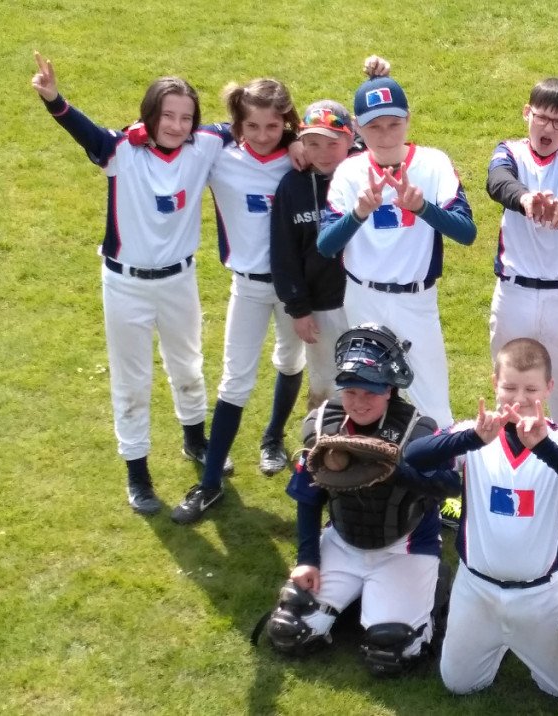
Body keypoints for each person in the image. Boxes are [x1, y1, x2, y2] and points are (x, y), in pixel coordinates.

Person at [32, 52, 231, 515]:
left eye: (186, 117)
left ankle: (195, 442)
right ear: (150, 114)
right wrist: (53, 99)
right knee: (132, 382)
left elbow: (249, 125)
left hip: (179, 280)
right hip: (125, 286)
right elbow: (86, 133)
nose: (177, 126)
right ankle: (137, 473)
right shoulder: (121, 150)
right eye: (167, 115)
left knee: (188, 364)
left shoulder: (207, 145)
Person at [404, 338, 558, 699]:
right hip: (477, 588)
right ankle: (491, 638)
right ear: (494, 382)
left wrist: (542, 447)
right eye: (509, 387)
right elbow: (413, 457)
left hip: (542, 594)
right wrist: (470, 439)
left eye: (531, 388)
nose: (519, 399)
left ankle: (519, 640)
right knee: (458, 683)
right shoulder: (473, 432)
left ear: (548, 387)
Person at [266, 324, 460, 672]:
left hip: (405, 546)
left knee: (392, 652)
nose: (359, 402)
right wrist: (307, 557)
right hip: (342, 540)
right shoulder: (322, 426)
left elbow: (449, 486)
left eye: (370, 392)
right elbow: (308, 500)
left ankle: (432, 585)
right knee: (288, 630)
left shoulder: (419, 433)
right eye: (351, 391)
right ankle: (355, 601)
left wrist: (397, 468)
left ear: (390, 388)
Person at [171, 78, 303, 524]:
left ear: (286, 121)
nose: (263, 135)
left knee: (290, 359)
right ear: (237, 123)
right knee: (235, 379)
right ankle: (209, 484)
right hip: (246, 285)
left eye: (272, 125)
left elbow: (349, 140)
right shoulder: (219, 158)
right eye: (252, 125)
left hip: (295, 287)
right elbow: (176, 135)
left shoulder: (299, 157)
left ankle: (272, 438)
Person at [317, 75, 477, 429]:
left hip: (415, 300)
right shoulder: (349, 171)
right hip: (362, 296)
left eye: (394, 124)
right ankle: (370, 475)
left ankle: (439, 475)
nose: (386, 135)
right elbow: (326, 245)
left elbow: (466, 232)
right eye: (375, 126)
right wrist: (358, 214)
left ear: (408, 119)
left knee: (432, 401)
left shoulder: (433, 164)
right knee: (364, 396)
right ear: (358, 127)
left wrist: (423, 209)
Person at [486, 78, 558, 526]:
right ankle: (509, 476)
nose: (548, 128)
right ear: (526, 113)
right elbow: (498, 183)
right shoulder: (509, 151)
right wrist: (527, 199)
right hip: (514, 291)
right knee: (512, 390)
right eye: (542, 117)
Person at [271, 57, 391, 412]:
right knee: (325, 383)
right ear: (300, 144)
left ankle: (373, 451)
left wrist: (378, 81)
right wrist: (298, 309)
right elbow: (284, 253)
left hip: (369, 297)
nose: (323, 154)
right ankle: (320, 452)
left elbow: (387, 130)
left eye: (332, 143)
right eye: (312, 144)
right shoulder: (292, 187)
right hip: (321, 305)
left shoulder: (367, 172)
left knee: (374, 379)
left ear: (351, 139)